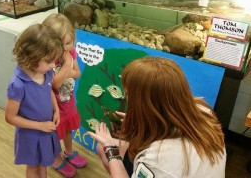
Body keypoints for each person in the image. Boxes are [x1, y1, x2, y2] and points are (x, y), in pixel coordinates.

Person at [88, 57, 226, 178]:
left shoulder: (158, 161)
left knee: (104, 148)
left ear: (144, 103)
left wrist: (110, 149)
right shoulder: (202, 109)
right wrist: (140, 123)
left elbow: (160, 162)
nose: (126, 98)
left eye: (128, 93)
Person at [4, 23, 64, 178]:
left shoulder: (47, 72)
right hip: (30, 134)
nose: (53, 65)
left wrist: (55, 109)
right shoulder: (17, 84)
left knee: (44, 162)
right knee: (32, 167)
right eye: (50, 61)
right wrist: (39, 126)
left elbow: (48, 89)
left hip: (46, 130)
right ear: (32, 56)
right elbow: (10, 117)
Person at [43, 13, 87, 178]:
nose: (66, 48)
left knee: (68, 128)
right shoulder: (48, 59)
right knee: (54, 134)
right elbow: (55, 83)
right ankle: (56, 158)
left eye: (68, 43)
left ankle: (69, 151)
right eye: (61, 45)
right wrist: (67, 64)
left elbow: (78, 73)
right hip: (52, 106)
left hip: (68, 100)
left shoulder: (72, 52)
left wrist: (67, 69)